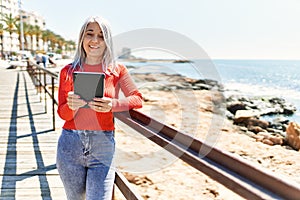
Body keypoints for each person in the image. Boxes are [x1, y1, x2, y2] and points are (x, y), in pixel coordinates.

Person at [56, 16, 143, 200]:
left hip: (103, 147)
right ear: (82, 38)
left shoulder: (117, 70)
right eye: (90, 34)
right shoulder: (68, 71)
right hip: (70, 144)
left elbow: (137, 99)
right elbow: (63, 114)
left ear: (108, 41)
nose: (95, 40)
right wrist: (72, 106)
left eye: (101, 36)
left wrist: (114, 105)